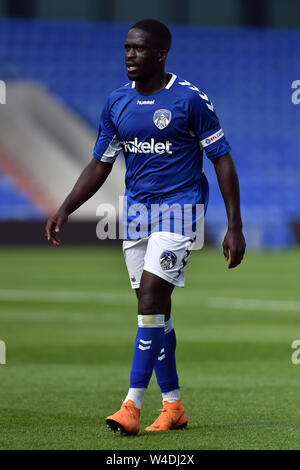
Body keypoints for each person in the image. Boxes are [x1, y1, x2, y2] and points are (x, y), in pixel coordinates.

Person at [46, 18, 246, 435]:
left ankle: (131, 406)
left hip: (181, 210)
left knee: (152, 298)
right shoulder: (116, 103)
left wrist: (234, 226)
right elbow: (101, 163)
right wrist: (65, 207)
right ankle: (173, 406)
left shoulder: (190, 100)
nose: (129, 56)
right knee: (156, 312)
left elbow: (222, 159)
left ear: (160, 54)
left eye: (138, 49)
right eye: (126, 49)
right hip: (137, 213)